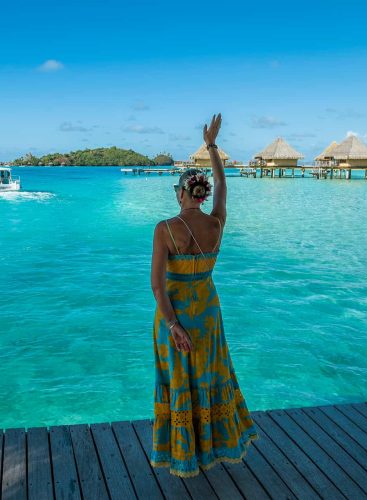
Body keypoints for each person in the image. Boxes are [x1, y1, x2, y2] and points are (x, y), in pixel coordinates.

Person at [150, 113, 259, 478]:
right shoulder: (216, 224)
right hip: (209, 313)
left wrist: (172, 324)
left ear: (181, 192)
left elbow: (156, 286)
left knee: (179, 381)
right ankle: (214, 447)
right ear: (203, 194)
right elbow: (224, 186)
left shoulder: (165, 229)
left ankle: (183, 452)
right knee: (211, 377)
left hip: (176, 314)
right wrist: (212, 146)